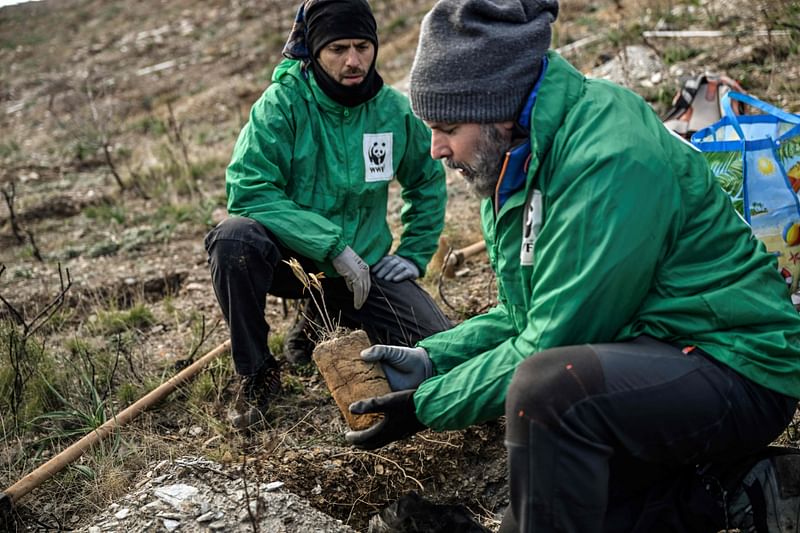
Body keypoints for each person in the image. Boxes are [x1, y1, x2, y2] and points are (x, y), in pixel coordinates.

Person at [344, 0, 800, 531]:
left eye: (446, 126)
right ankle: (745, 493)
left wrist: (425, 404)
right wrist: (432, 358)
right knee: (562, 495)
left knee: (548, 391)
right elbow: (528, 313)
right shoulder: (519, 157)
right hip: (660, 348)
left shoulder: (606, 158)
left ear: (499, 104)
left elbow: (553, 340)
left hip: (738, 367)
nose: (436, 148)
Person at [204, 0, 451, 429]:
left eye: (362, 45)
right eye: (338, 48)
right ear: (315, 52)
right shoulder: (281, 105)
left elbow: (426, 181)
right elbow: (248, 190)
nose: (353, 60)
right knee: (234, 241)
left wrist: (414, 252)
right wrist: (331, 246)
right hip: (293, 263)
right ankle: (257, 373)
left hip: (365, 266)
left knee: (438, 347)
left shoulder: (393, 111)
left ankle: (322, 316)